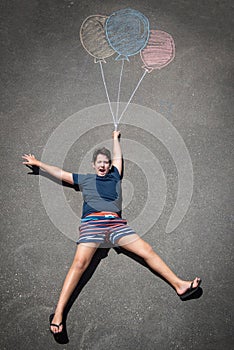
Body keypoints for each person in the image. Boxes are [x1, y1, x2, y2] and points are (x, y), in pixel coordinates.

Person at [22, 130, 201, 336]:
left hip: (116, 224)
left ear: (109, 165)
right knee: (80, 264)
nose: (103, 165)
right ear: (93, 165)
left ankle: (180, 286)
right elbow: (61, 173)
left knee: (146, 250)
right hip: (93, 223)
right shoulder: (86, 179)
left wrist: (115, 139)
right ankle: (58, 313)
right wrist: (39, 164)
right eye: (99, 162)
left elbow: (118, 158)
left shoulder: (115, 175)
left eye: (105, 162)